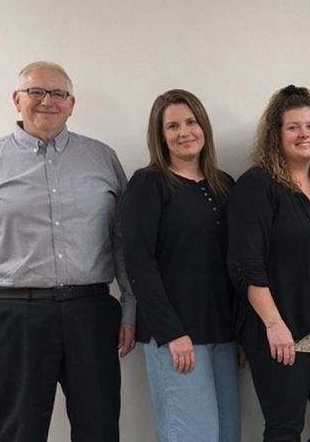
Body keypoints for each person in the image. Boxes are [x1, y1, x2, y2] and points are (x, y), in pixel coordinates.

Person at [0, 61, 136, 441]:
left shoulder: (102, 159)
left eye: (58, 93)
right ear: (17, 100)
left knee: (99, 430)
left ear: (71, 103)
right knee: (21, 433)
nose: (48, 101)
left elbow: (125, 244)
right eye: (36, 92)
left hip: (92, 314)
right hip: (14, 320)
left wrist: (130, 307)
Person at [228, 85, 310, 442]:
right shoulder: (258, 185)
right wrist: (274, 324)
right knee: (285, 429)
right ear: (276, 135)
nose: (305, 134)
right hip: (282, 331)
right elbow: (246, 263)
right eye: (294, 127)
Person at [118, 89, 239, 442]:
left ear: (204, 126)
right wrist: (172, 332)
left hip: (222, 333)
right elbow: (138, 263)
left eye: (190, 121)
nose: (184, 132)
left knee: (227, 435)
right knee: (192, 436)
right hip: (175, 336)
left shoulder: (224, 185)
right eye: (172, 126)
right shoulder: (148, 184)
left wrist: (242, 333)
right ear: (160, 136)